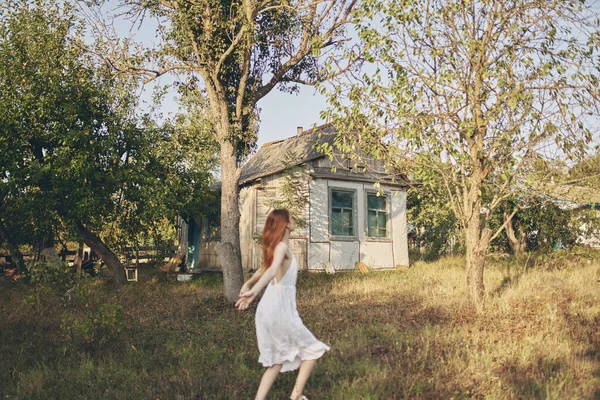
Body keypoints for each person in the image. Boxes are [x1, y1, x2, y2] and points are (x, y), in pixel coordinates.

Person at [235, 209, 329, 400]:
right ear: (286, 224)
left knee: (276, 362)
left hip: (267, 310)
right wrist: (252, 292)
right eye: (292, 219)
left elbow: (261, 272)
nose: (294, 221)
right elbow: (269, 273)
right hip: (280, 309)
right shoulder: (281, 249)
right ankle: (296, 396)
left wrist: (249, 285)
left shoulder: (277, 248)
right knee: (312, 350)